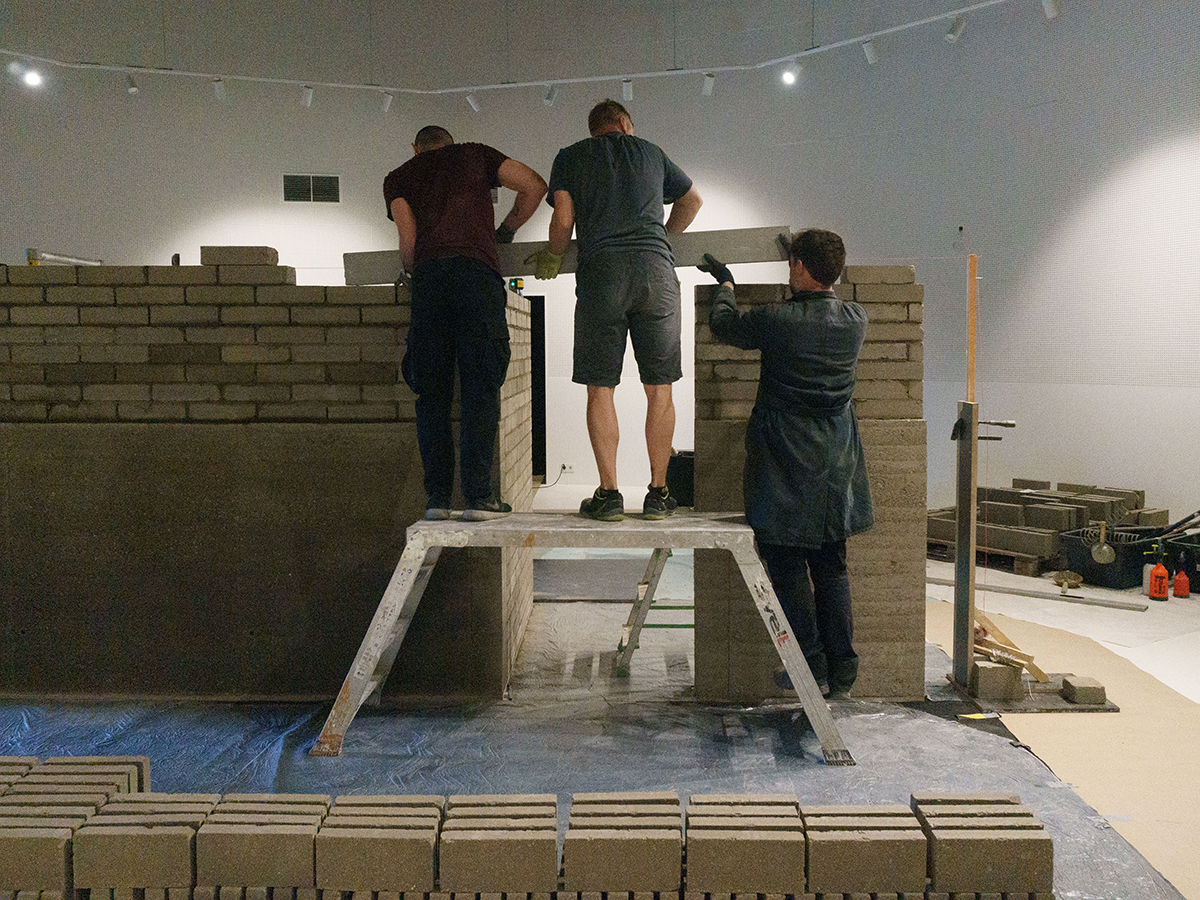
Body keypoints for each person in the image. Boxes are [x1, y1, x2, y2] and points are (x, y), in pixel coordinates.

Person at [700, 230, 874, 700]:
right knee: (831, 565)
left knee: (787, 563)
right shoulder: (856, 320)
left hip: (785, 462)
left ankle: (810, 667)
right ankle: (843, 669)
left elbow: (724, 325)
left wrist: (726, 285)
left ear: (799, 268)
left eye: (791, 263)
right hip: (837, 464)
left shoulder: (778, 322)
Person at [531, 99, 703, 521]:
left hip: (601, 275)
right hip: (656, 276)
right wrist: (661, 237)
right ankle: (659, 493)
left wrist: (553, 257)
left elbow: (563, 219)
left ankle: (609, 495)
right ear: (626, 123)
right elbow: (693, 201)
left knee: (600, 388)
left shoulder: (570, 156)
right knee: (659, 388)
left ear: (595, 129)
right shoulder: (651, 151)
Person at [384, 125, 547, 521]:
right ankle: (478, 498)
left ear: (415, 147)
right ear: (450, 143)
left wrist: (417, 270)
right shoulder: (476, 154)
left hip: (430, 285)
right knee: (480, 388)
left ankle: (438, 499)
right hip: (476, 278)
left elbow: (408, 245)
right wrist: (504, 231)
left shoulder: (398, 177)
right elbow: (534, 186)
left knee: (432, 395)